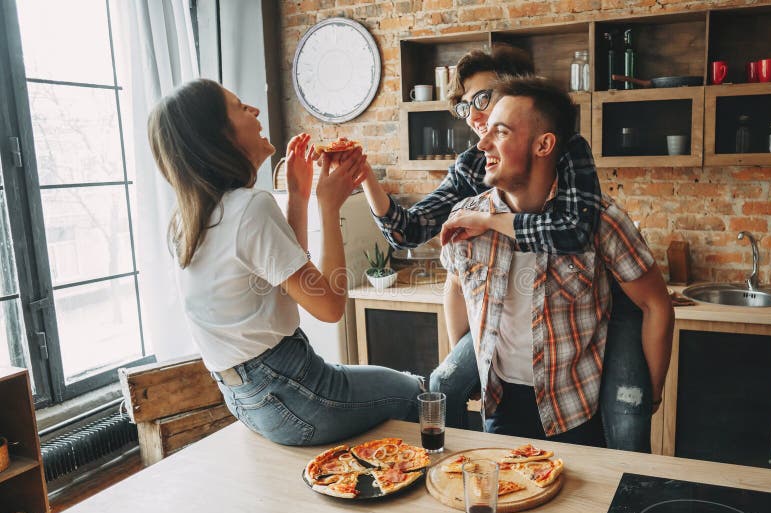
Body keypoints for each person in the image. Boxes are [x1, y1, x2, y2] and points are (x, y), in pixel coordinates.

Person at [361, 45, 656, 452]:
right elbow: (412, 233)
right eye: (467, 108)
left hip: (589, 348)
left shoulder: (571, 154)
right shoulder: (471, 166)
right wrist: (365, 178)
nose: (477, 119)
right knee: (447, 380)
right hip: (507, 388)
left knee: (629, 413)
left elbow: (573, 230)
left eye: (486, 101)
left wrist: (490, 223)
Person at [147, 79, 422, 446]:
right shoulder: (250, 207)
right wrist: (328, 207)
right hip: (295, 393)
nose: (255, 110)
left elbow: (286, 283)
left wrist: (299, 196)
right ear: (219, 136)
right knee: (419, 391)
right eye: (240, 106)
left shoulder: (188, 219)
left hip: (250, 400)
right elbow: (329, 307)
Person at [439, 76, 674, 445]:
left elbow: (655, 303)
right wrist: (473, 371)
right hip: (502, 409)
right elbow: (455, 289)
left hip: (576, 411)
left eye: (500, 132)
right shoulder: (466, 220)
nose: (482, 143)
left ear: (544, 144)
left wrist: (651, 392)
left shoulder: (600, 220)